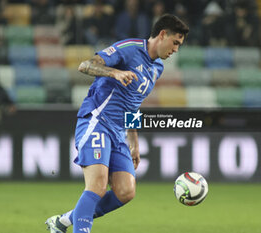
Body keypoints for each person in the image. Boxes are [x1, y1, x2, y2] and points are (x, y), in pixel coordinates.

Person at [45, 14, 189, 233]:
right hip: (97, 121)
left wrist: (134, 142)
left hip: (118, 133)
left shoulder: (157, 68)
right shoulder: (130, 48)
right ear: (162, 35)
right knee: (97, 186)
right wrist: (114, 72)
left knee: (125, 192)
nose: (176, 49)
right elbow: (86, 65)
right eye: (175, 43)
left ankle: (63, 222)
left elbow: (133, 104)